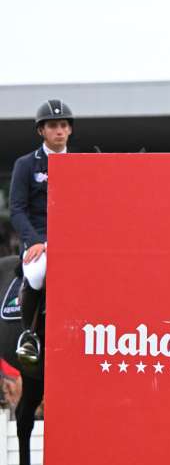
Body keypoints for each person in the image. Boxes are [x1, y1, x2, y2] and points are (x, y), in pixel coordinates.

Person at [9, 99, 74, 365]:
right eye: (52, 126)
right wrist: (35, 241)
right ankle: (29, 335)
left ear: (70, 130)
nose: (58, 131)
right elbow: (16, 208)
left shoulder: (80, 162)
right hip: (38, 238)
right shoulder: (26, 164)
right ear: (41, 131)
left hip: (73, 239)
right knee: (36, 272)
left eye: (63, 125)